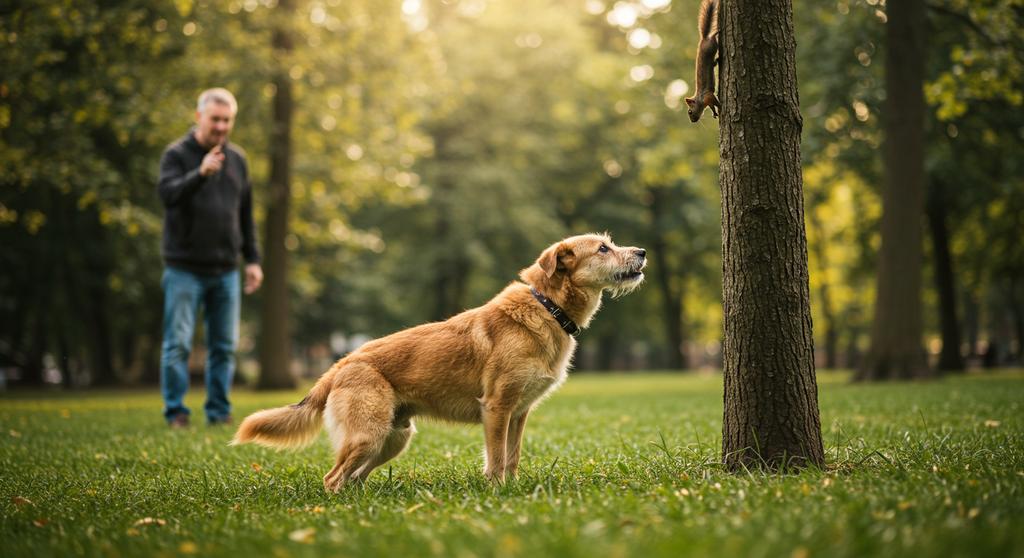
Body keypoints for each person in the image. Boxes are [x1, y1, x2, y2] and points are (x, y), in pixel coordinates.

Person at [157, 88, 263, 428]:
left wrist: (252, 259)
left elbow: (245, 214)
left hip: (225, 270)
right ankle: (176, 412)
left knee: (224, 347)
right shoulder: (176, 155)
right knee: (178, 345)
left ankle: (218, 412)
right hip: (184, 268)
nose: (221, 126)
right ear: (199, 116)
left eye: (227, 120)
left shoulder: (238, 160)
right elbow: (168, 195)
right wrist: (199, 174)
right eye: (215, 119)